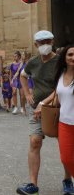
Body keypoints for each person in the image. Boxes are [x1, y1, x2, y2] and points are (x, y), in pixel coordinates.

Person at [16, 30, 73, 195]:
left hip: (58, 110)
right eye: (41, 43)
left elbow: (61, 87)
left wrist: (43, 102)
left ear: (53, 42)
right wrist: (27, 94)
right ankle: (33, 185)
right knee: (35, 141)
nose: (45, 45)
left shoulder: (61, 62)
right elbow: (23, 76)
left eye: (48, 41)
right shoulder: (33, 62)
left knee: (65, 148)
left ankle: (68, 180)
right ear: (36, 45)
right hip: (38, 111)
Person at [34, 44, 74, 183]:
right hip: (64, 124)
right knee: (66, 159)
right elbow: (56, 93)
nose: (73, 57)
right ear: (64, 57)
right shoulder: (61, 74)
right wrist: (42, 104)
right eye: (70, 55)